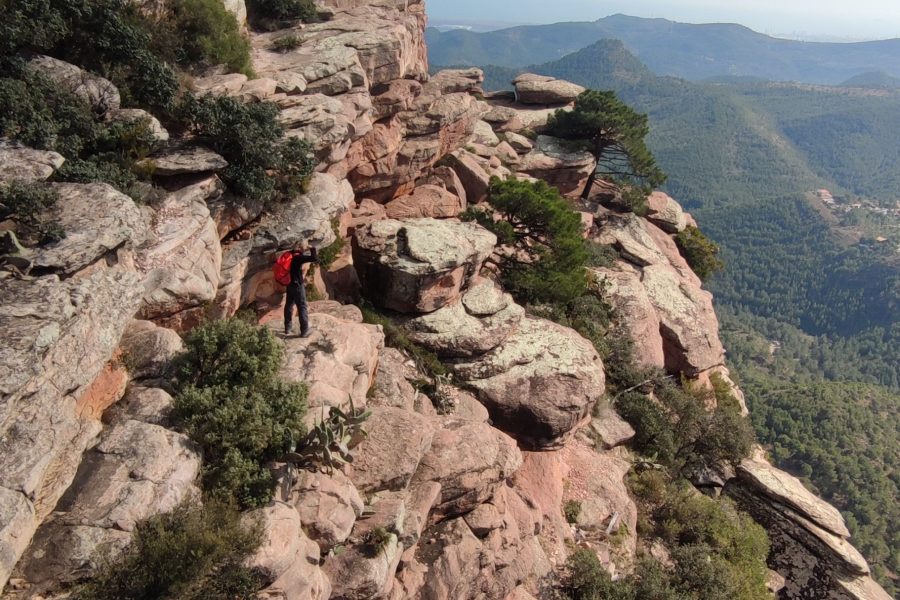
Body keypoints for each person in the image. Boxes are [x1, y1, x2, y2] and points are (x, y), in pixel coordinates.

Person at [284, 243, 318, 337]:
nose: (304, 248)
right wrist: (312, 248)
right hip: (297, 286)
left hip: (289, 284)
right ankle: (304, 330)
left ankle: (287, 327)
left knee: (289, 306)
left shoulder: (289, 255)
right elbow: (314, 258)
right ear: (299, 248)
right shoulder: (298, 258)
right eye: (304, 247)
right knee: (302, 306)